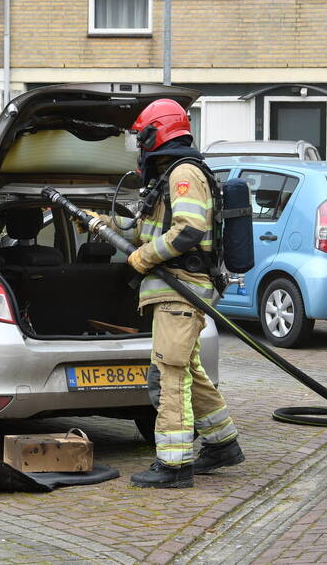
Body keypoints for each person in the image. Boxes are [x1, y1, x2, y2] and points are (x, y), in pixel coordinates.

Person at [95, 98, 243, 489]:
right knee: (189, 371)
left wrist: (143, 258)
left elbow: (189, 229)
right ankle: (223, 443)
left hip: (182, 291)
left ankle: (173, 466)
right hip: (177, 291)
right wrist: (103, 223)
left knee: (168, 375)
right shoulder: (168, 175)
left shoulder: (183, 174)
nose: (138, 148)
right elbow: (149, 230)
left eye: (140, 138)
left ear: (154, 133)